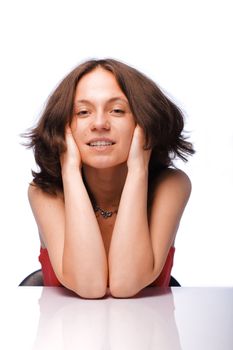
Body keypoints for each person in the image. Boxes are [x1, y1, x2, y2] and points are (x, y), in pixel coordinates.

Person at [23, 58, 195, 299]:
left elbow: (125, 284)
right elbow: (89, 286)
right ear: (64, 127)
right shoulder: (44, 193)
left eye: (117, 110)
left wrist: (138, 170)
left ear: (142, 122)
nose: (100, 124)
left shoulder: (172, 186)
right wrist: (70, 170)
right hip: (64, 334)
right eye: (83, 112)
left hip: (146, 333)